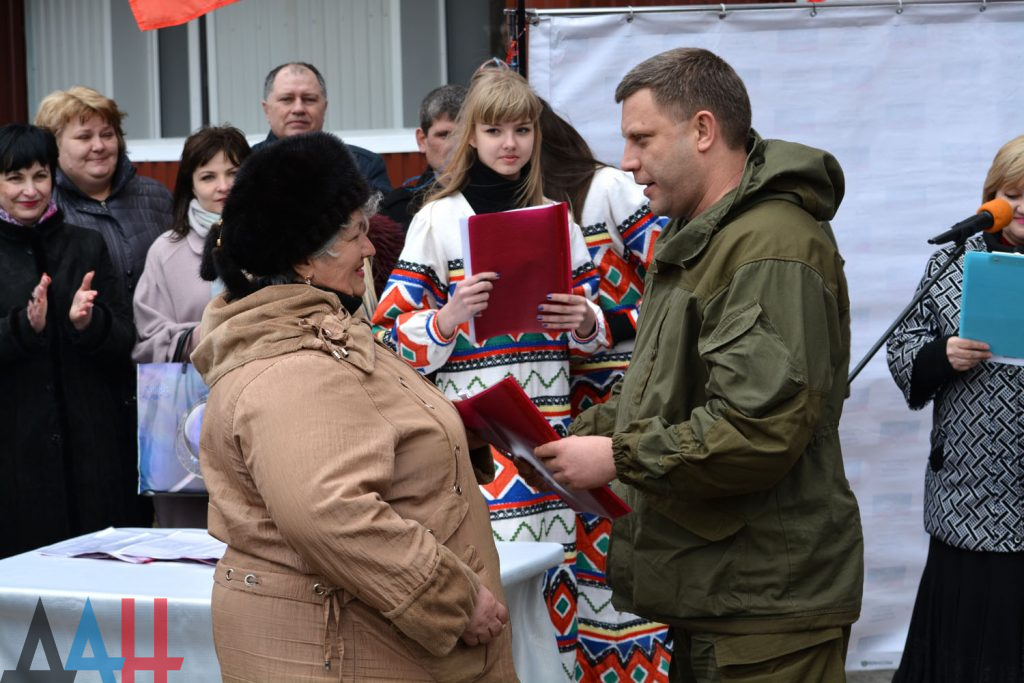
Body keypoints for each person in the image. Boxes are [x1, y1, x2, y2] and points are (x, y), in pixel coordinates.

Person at [534, 48, 864, 682]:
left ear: (704, 131)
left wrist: (617, 457)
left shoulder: (768, 249)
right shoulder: (709, 237)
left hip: (767, 612)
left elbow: (756, 431)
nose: (626, 161)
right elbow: (670, 392)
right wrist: (572, 433)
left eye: (641, 139)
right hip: (725, 593)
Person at [192, 131, 515, 681]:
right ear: (303, 261)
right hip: (348, 649)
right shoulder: (293, 369)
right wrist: (456, 601)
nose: (370, 250)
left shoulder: (326, 330)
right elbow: (331, 512)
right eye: (355, 235)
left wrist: (452, 434)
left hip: (366, 640)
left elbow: (358, 438)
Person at [372, 66, 608, 677]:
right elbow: (386, 335)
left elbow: (596, 337)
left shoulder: (558, 216)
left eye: (523, 129)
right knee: (485, 578)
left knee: (553, 584)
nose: (510, 143)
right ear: (471, 136)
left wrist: (582, 318)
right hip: (473, 440)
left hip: (547, 431)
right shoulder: (436, 218)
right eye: (495, 129)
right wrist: (447, 319)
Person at [537, 101, 672, 678]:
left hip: (624, 402)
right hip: (559, 413)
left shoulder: (609, 191)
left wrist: (604, 324)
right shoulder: (508, 215)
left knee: (625, 555)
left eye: (520, 131)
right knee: (579, 573)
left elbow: (682, 289)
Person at [886, 136, 1024, 683]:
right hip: (972, 493)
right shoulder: (953, 262)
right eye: (1015, 195)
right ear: (990, 197)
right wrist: (941, 355)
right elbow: (902, 350)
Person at [0, 124, 137, 558]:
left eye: (39, 176)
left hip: (93, 450)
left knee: (100, 581)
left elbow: (124, 340)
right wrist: (24, 328)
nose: (29, 190)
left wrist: (87, 324)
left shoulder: (85, 244)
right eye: (14, 178)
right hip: (16, 454)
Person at [132, 125, 251, 529]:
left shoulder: (275, 246)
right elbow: (146, 341)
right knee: (186, 536)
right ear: (190, 185)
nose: (222, 186)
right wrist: (197, 336)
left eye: (234, 173)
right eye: (208, 176)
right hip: (184, 417)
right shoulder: (166, 250)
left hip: (256, 409)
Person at [34, 86, 172, 304]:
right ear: (54, 146)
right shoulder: (42, 208)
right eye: (84, 137)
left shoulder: (156, 197)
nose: (99, 146)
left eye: (107, 134)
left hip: (160, 337)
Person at [253, 62, 392, 195]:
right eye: (286, 99)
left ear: (324, 108)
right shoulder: (243, 164)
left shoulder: (363, 167)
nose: (298, 109)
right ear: (266, 110)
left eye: (309, 99)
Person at [381, 84, 467, 232]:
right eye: (444, 135)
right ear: (422, 140)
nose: (457, 146)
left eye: (466, 134)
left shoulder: (511, 194)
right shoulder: (396, 212)